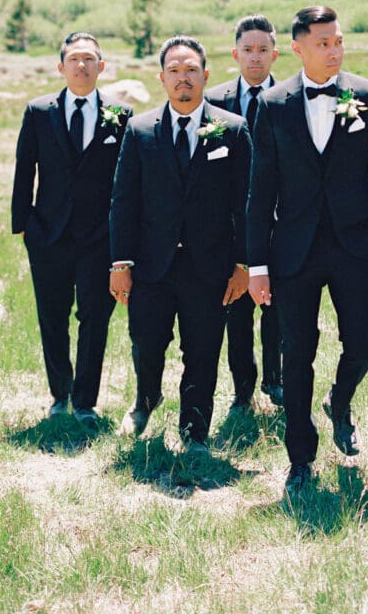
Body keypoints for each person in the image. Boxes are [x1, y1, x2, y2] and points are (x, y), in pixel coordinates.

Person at [246, 6, 368, 490]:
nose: (334, 50)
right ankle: (300, 458)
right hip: (292, 251)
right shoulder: (272, 105)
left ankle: (339, 399)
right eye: (323, 43)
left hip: (355, 246)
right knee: (297, 353)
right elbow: (260, 190)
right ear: (297, 48)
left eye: (338, 42)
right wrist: (257, 264)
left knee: (364, 340)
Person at [109, 35, 251, 450]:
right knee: (146, 344)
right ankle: (145, 401)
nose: (183, 78)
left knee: (203, 352)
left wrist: (243, 264)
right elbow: (123, 199)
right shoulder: (139, 131)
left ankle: (194, 432)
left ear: (206, 76)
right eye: (174, 71)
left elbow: (245, 203)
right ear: (162, 78)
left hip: (211, 267)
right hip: (152, 265)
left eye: (191, 70)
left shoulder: (233, 129)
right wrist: (121, 263)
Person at [11, 31, 132, 423]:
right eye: (74, 59)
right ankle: (59, 393)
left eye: (89, 59)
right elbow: (23, 169)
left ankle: (84, 402)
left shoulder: (121, 114)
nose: (82, 66)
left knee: (95, 317)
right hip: (48, 233)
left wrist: (123, 237)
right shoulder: (38, 111)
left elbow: (127, 180)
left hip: (100, 236)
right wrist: (24, 224)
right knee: (53, 315)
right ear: (61, 67)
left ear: (102, 66)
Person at [205, 14, 283, 410]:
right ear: (236, 54)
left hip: (280, 222)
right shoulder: (214, 101)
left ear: (275, 53)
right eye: (248, 51)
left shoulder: (289, 98)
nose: (256, 58)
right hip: (231, 227)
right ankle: (242, 391)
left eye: (263, 50)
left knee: (278, 308)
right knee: (236, 314)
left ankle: (277, 379)